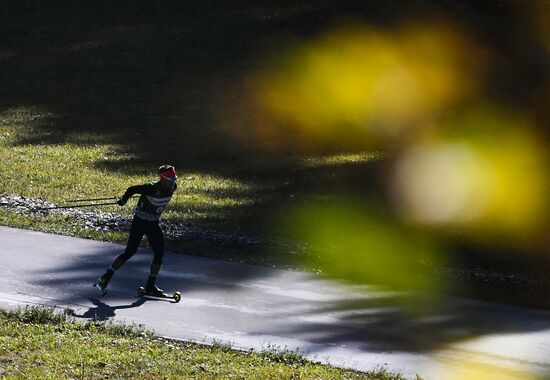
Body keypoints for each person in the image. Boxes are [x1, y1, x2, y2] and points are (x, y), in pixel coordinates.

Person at [94, 164, 177, 296]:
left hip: (153, 223)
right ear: (162, 178)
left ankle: (150, 286)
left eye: (174, 179)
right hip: (140, 222)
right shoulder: (151, 188)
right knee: (130, 251)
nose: (172, 183)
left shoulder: (173, 188)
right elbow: (132, 189)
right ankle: (104, 278)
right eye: (169, 180)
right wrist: (123, 200)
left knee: (159, 254)